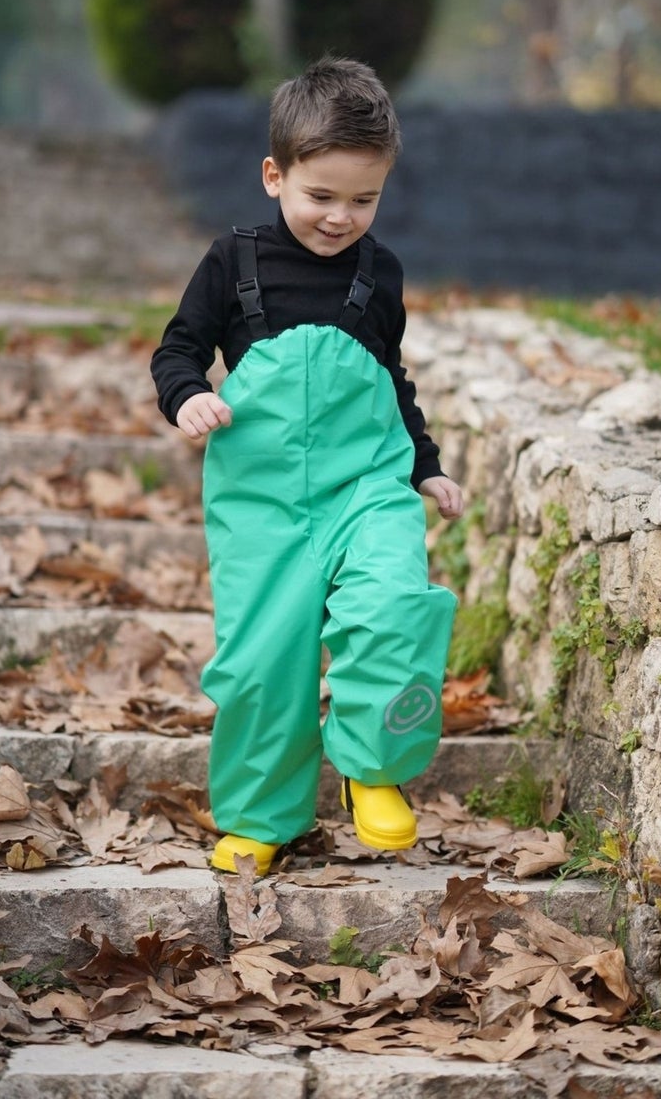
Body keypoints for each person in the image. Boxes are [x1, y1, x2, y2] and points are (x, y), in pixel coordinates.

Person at [151, 55, 463, 877]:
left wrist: (424, 466)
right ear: (273, 175)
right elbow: (178, 349)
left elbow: (391, 375)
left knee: (397, 603)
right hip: (262, 499)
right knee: (263, 660)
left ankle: (373, 767)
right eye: (321, 196)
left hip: (368, 486)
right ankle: (263, 813)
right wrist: (187, 396)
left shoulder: (379, 272)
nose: (340, 218)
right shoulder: (234, 261)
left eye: (364, 199)